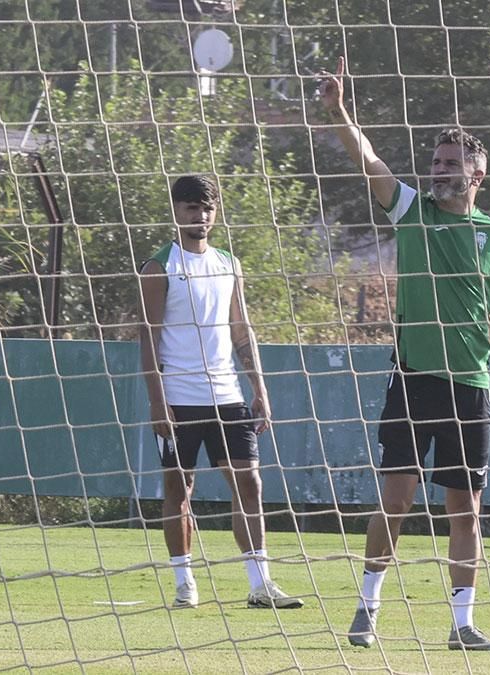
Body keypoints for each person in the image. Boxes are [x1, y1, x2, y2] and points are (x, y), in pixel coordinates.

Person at [317, 58, 490, 651]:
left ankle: (462, 624)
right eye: (436, 162)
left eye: (451, 164)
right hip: (413, 379)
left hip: (471, 386)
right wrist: (340, 113)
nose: (439, 170)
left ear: (477, 173)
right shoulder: (410, 209)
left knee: (464, 510)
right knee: (396, 499)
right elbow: (369, 159)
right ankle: (368, 606)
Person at [138, 174, 303, 610]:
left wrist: (259, 386)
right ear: (177, 210)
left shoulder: (229, 263)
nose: (201, 216)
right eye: (192, 207)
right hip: (178, 398)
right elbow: (148, 337)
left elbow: (241, 328)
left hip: (227, 395)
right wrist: (157, 400)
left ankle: (260, 584)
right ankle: (184, 581)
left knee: (250, 481)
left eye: (207, 208)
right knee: (180, 489)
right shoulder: (158, 267)